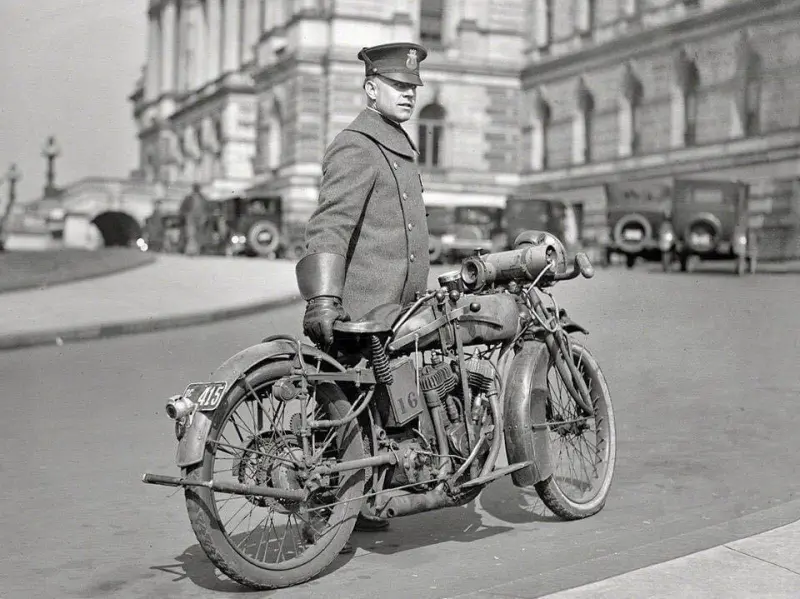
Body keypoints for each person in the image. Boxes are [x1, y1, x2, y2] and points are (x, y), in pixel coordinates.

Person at [295, 42, 431, 541]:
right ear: (371, 87)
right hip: (365, 310)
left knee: (390, 406)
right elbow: (329, 225)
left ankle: (372, 494)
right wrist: (324, 299)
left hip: (397, 310)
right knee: (353, 410)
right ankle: (329, 505)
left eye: (413, 88)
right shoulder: (357, 144)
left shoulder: (393, 142)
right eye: (398, 86)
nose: (409, 95)